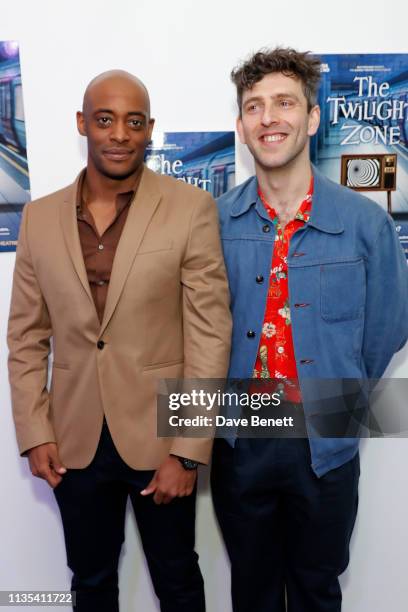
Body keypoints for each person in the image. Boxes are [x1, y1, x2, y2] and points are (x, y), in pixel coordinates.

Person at [7, 69, 231, 612]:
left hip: (161, 436)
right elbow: (26, 335)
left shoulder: (189, 209)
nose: (119, 134)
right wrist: (35, 432)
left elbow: (209, 331)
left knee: (177, 580)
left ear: (149, 129)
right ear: (83, 123)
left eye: (134, 122)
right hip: (74, 441)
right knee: (90, 581)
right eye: (105, 120)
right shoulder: (38, 219)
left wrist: (187, 447)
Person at [211, 47, 408, 612]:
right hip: (240, 438)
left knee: (318, 591)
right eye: (254, 106)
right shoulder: (213, 223)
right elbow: (195, 330)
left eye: (283, 103)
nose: (269, 117)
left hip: (327, 441)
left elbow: (387, 330)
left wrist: (337, 400)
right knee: (251, 589)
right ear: (242, 126)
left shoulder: (365, 223)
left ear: (312, 118)